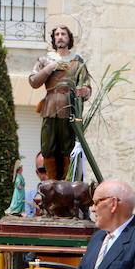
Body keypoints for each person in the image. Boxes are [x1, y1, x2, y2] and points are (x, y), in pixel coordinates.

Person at [28, 25, 91, 181]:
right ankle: (51, 180)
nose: (60, 37)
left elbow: (86, 86)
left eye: (63, 34)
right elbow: (33, 81)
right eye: (57, 34)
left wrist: (85, 91)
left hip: (69, 109)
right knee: (48, 146)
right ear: (53, 39)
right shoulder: (45, 60)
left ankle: (67, 181)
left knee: (68, 146)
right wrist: (50, 67)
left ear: (69, 38)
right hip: (50, 107)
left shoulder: (77, 61)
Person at [25, 152, 50, 218]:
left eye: (51, 168)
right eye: (42, 170)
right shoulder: (29, 197)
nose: (48, 173)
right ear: (37, 173)